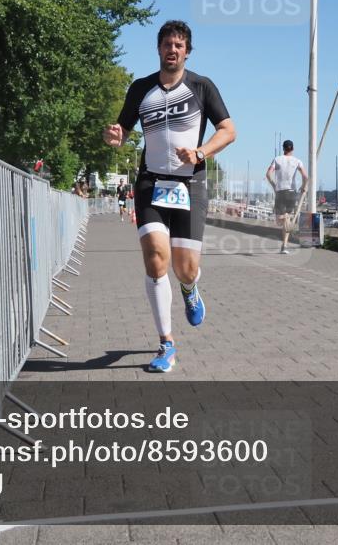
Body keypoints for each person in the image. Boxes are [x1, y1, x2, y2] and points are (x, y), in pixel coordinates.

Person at [103, 20, 235, 373]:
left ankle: (190, 289)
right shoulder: (141, 89)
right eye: (167, 44)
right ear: (158, 49)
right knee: (156, 259)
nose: (172, 50)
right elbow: (121, 131)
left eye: (178, 45)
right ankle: (166, 344)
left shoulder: (202, 87)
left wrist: (202, 152)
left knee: (184, 267)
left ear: (187, 51)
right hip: (150, 183)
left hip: (190, 186)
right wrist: (114, 137)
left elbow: (229, 130)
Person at [266, 140, 308, 254]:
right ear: (293, 149)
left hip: (280, 191)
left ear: (283, 148)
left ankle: (284, 246)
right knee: (286, 220)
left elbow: (268, 174)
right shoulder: (297, 161)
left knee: (279, 221)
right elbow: (305, 176)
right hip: (292, 192)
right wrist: (303, 187)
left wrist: (274, 185)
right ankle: (284, 246)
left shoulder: (277, 159)